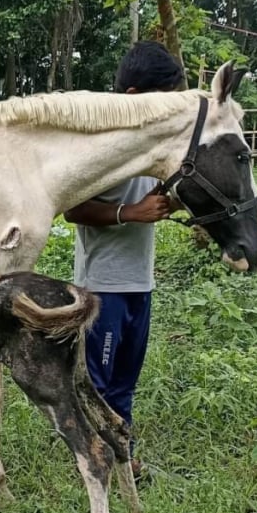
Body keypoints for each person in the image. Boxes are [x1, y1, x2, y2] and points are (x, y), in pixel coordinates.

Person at [62, 40, 183, 478]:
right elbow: (73, 209)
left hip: (139, 282)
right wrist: (131, 213)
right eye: (162, 101)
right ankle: (95, 460)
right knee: (98, 383)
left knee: (125, 383)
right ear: (134, 98)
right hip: (103, 287)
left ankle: (120, 455)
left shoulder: (151, 147)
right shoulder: (101, 150)